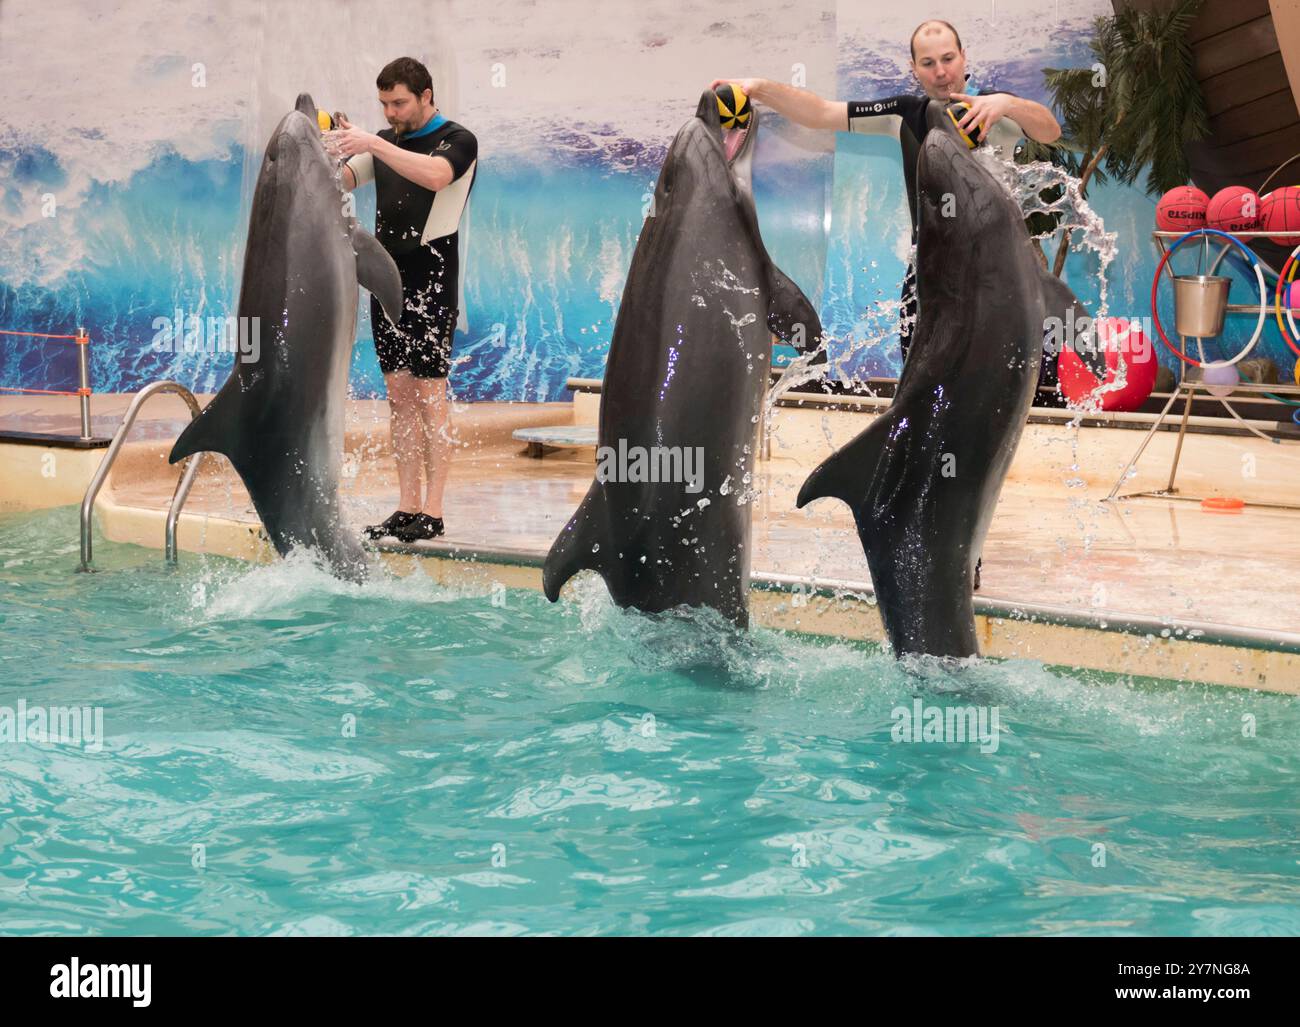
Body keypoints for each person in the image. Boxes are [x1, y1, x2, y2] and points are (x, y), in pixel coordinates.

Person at [713, 18, 1061, 368]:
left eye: (948, 58)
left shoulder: (994, 108)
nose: (941, 72)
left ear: (963, 57)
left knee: (1017, 379)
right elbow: (820, 112)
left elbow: (1049, 130)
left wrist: (1008, 104)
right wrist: (757, 88)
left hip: (1000, 268)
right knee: (923, 382)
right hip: (930, 273)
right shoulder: (904, 115)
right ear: (914, 70)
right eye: (928, 63)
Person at [332, 56, 478, 543]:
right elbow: (345, 179)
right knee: (399, 397)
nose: (391, 112)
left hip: (432, 282)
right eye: (384, 104)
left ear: (426, 95)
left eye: (399, 102)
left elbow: (437, 177)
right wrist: (331, 150)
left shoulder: (457, 141)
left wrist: (373, 142)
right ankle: (407, 505)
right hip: (386, 283)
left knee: (430, 396)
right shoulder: (386, 142)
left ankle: (433, 511)